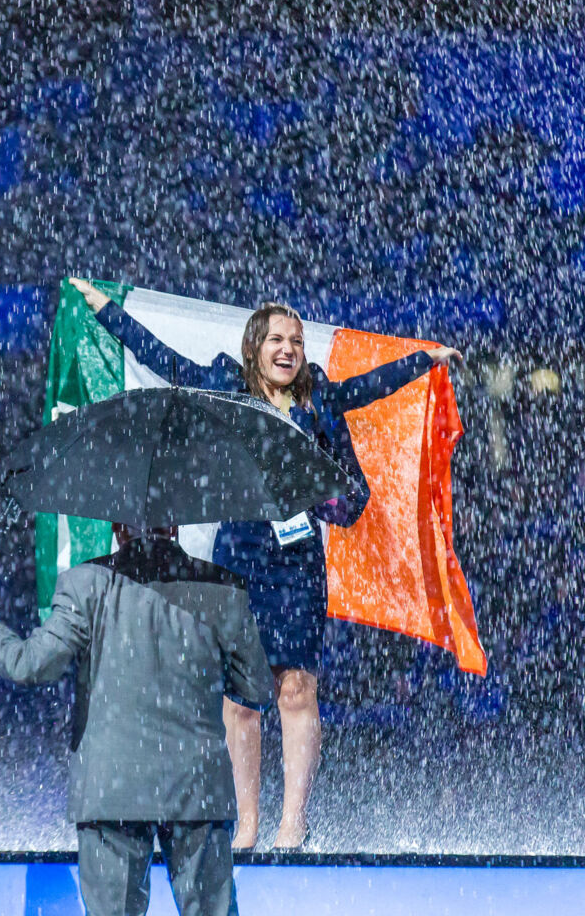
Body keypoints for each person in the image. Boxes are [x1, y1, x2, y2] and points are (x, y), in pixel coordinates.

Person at [68, 277, 461, 849]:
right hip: (241, 556)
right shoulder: (226, 385)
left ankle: (293, 822)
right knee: (239, 696)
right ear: (255, 346)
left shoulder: (318, 399)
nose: (289, 350)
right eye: (278, 339)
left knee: (296, 689)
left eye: (297, 341)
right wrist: (106, 310)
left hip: (297, 562)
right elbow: (164, 360)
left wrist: (424, 359)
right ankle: (247, 821)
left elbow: (368, 390)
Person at [0, 525, 274, 916]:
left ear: (118, 527)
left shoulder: (83, 582)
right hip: (196, 786)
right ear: (174, 525)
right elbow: (255, 687)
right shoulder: (223, 585)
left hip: (111, 786)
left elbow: (31, 665)